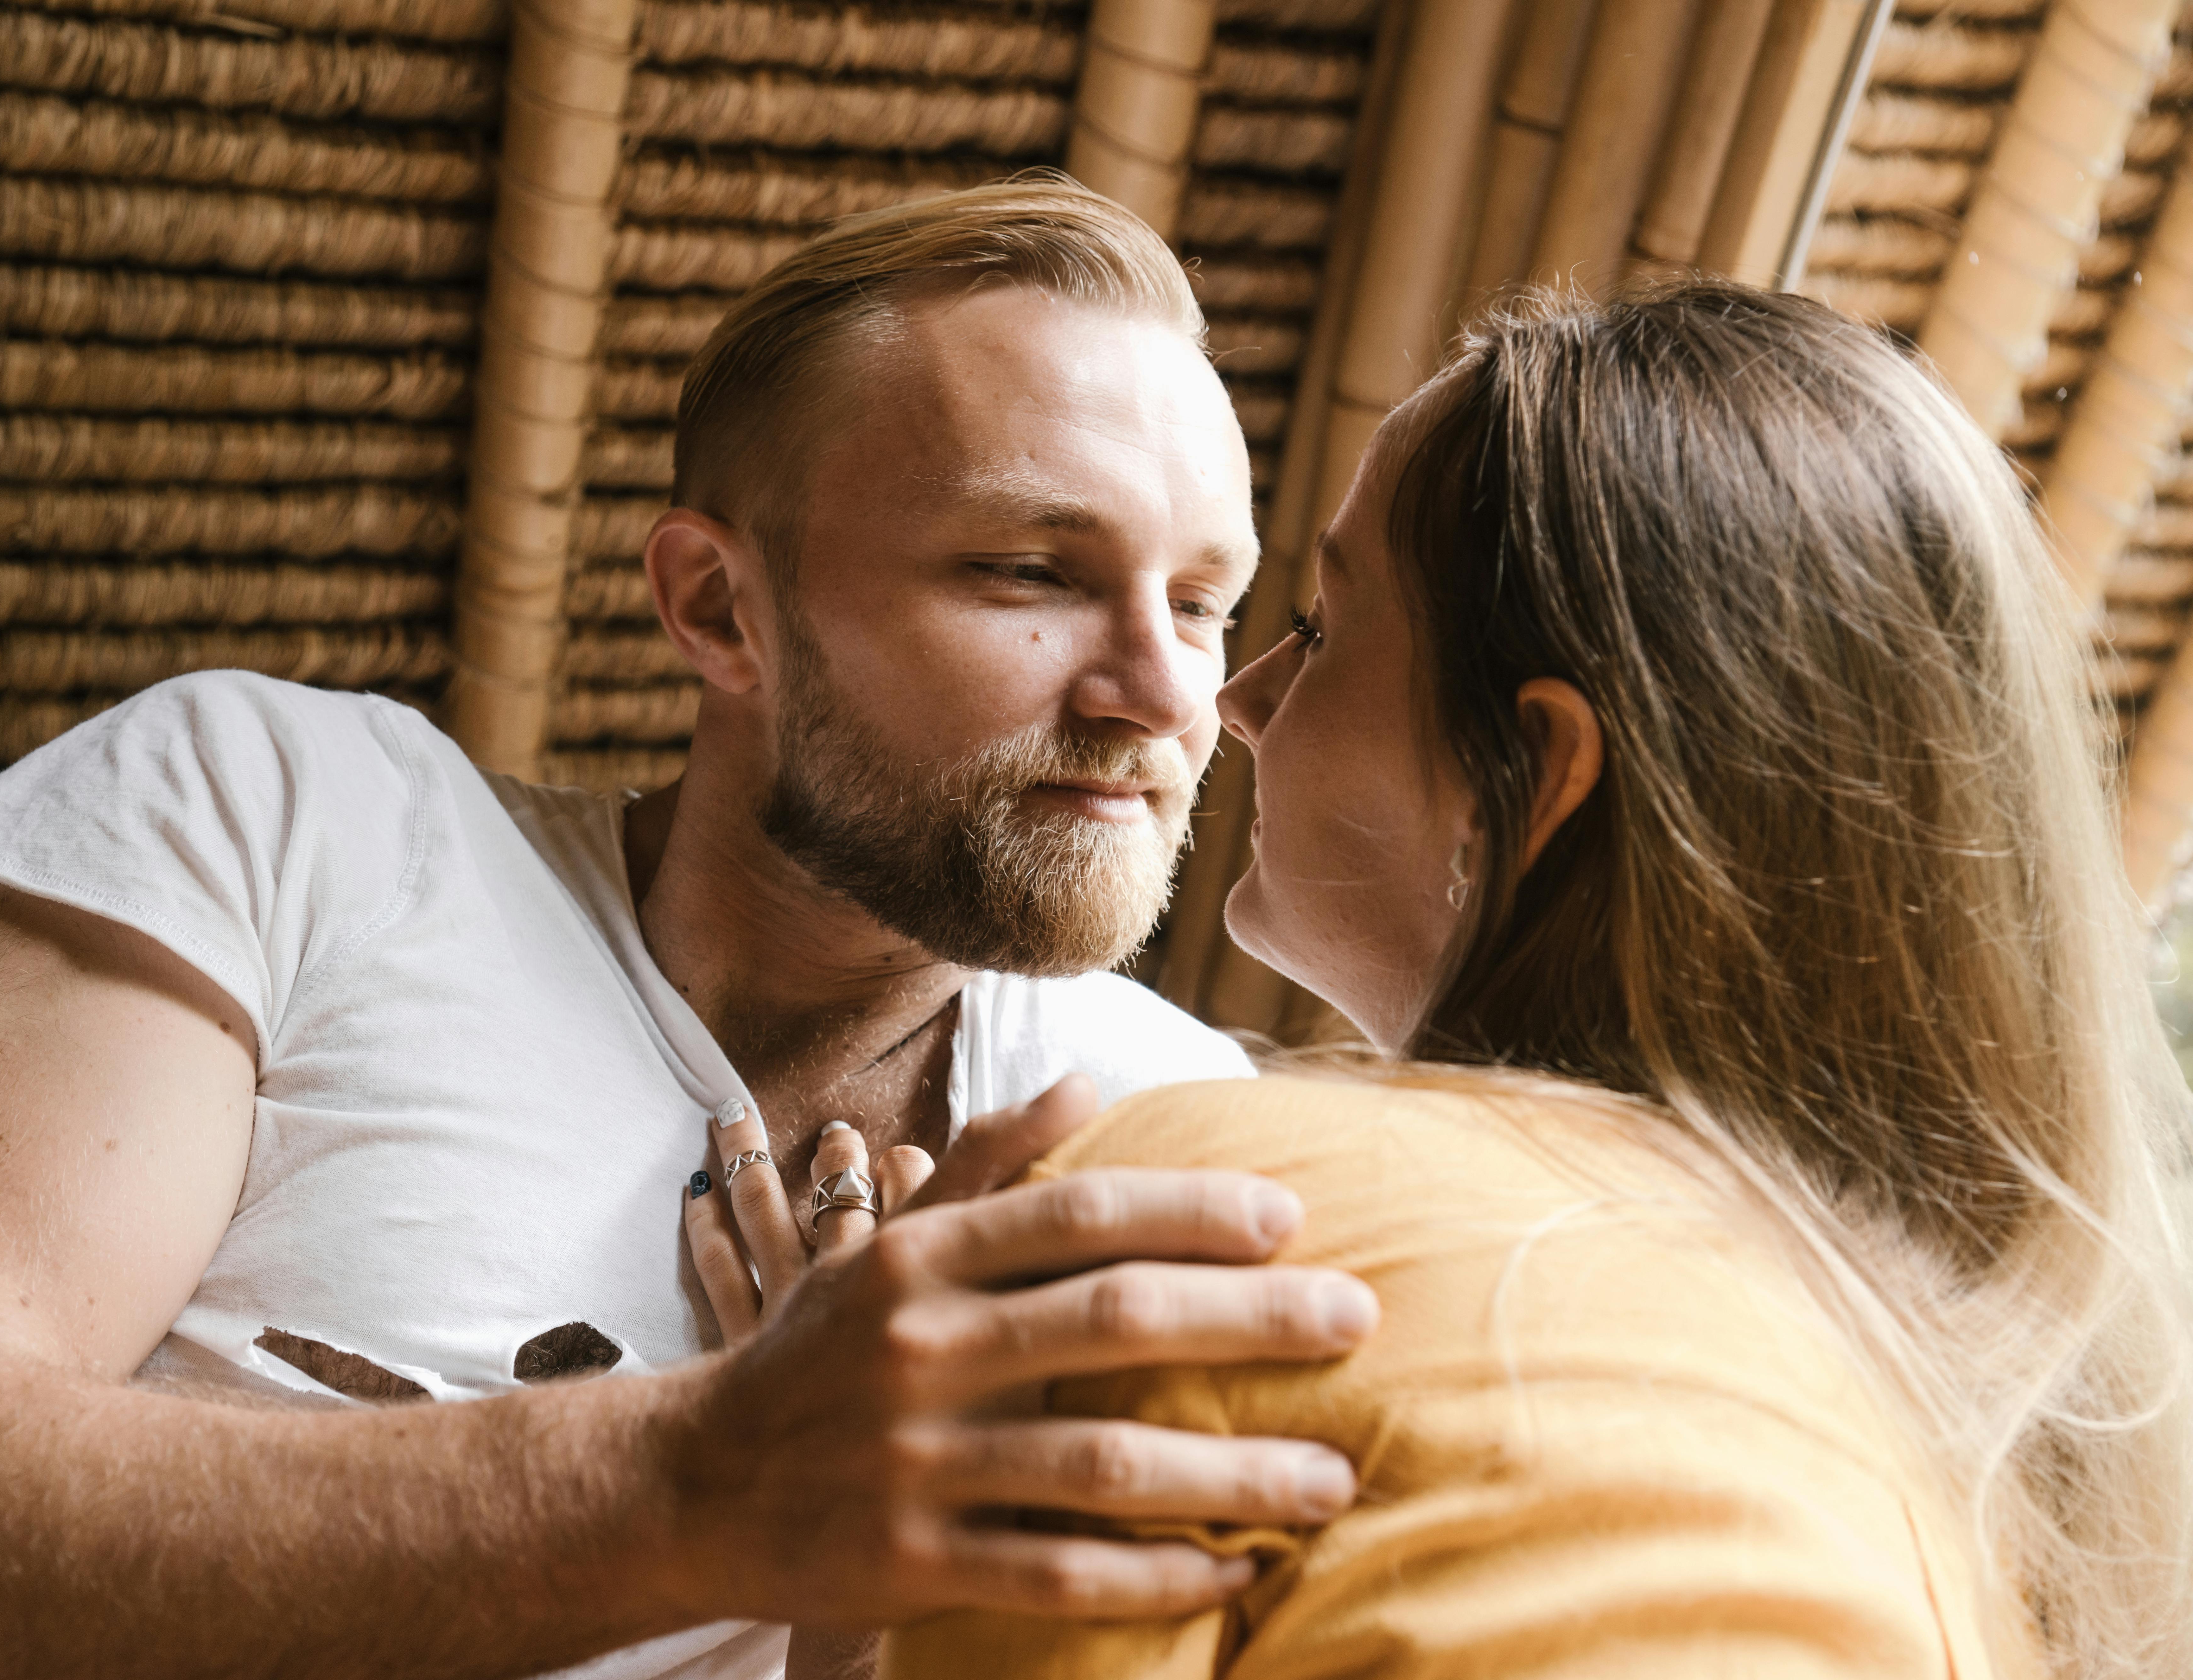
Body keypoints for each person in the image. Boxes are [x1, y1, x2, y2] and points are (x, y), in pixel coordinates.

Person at [0, 179, 1391, 1678]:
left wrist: (858, 1628)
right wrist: (712, 1477)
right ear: (719, 609)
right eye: (1031, 569)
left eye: (1202, 600)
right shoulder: (277, 814)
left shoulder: (1198, 1144)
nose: (1174, 693)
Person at [716, 283, 2193, 1677]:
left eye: (1317, 622)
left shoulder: (1208, 1231)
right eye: (1034, 573)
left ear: (1532, 777)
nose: (1229, 699)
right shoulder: (2007, 1467)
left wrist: (843, 1565)